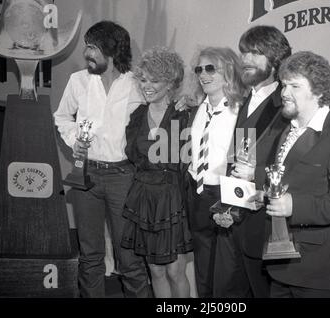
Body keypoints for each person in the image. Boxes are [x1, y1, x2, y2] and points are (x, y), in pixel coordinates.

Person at [53, 21, 150, 298]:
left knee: (129, 259)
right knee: (90, 256)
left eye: (93, 47)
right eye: (87, 46)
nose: (87, 53)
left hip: (124, 177)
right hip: (86, 176)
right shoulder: (78, 81)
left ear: (112, 50)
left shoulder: (137, 85)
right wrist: (74, 141)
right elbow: (61, 117)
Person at [258, 51, 330, 297]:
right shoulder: (289, 130)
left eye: (294, 86)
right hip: (282, 265)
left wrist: (295, 205)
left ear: (318, 91)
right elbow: (290, 180)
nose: (284, 93)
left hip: (321, 272)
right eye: (284, 85)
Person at [213, 25, 292, 298]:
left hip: (266, 228)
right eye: (244, 52)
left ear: (276, 60)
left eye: (255, 53)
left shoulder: (287, 103)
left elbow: (289, 165)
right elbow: (238, 159)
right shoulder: (248, 98)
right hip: (236, 223)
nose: (245, 59)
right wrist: (226, 206)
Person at [120, 47, 193, 298]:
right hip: (144, 198)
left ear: (170, 83)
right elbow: (132, 155)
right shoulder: (138, 115)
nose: (147, 86)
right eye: (143, 79)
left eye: (154, 80)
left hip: (172, 198)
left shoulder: (183, 114)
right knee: (155, 271)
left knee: (174, 271)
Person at [185, 47, 246, 297]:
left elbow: (246, 160)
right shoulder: (200, 108)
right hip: (197, 192)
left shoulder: (240, 110)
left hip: (224, 196)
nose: (203, 74)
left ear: (229, 71)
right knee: (203, 266)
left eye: (211, 68)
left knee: (226, 271)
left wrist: (231, 203)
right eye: (199, 69)